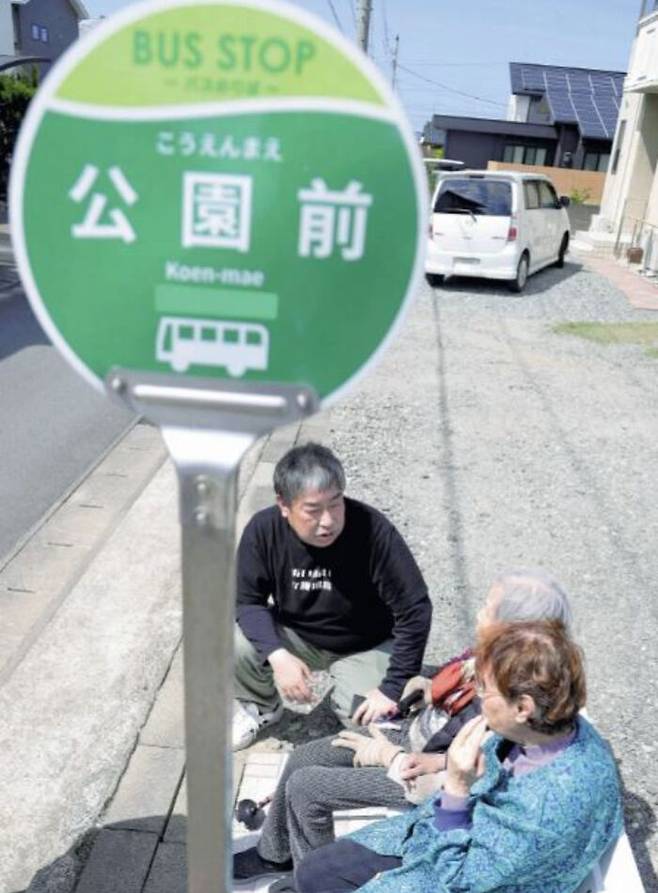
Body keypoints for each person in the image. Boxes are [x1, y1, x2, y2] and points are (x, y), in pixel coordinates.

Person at [233, 568, 574, 883]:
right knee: (304, 758)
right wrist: (426, 692)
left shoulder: (514, 699)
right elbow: (456, 705)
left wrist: (388, 756)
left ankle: (308, 879)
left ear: (515, 630)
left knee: (308, 787)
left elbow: (479, 772)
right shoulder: (497, 660)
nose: (480, 613)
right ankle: (276, 855)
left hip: (424, 774)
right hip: (416, 734)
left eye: (488, 608)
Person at [294, 620, 622, 893]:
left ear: (523, 707)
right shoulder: (556, 729)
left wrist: (455, 788)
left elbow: (454, 883)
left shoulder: (546, 810)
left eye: (484, 689)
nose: (477, 697)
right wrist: (442, 764)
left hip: (455, 868)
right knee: (313, 873)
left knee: (316, 880)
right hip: (446, 837)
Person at [233, 442, 432, 750]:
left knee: (372, 726)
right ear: (284, 505)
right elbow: (248, 601)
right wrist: (277, 654)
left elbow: (415, 609)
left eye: (336, 503)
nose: (327, 520)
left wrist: (391, 689)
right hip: (298, 634)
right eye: (312, 510)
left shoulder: (373, 530)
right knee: (233, 638)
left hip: (365, 644)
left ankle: (368, 690)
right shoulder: (263, 530)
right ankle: (262, 706)